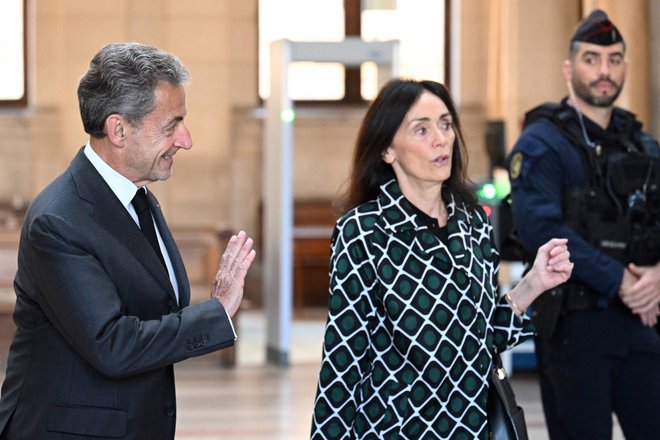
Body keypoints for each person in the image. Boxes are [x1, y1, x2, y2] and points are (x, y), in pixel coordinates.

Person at [0, 42, 256, 439]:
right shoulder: (59, 220)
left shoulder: (138, 198)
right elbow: (111, 344)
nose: (186, 140)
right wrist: (217, 311)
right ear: (118, 129)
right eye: (172, 125)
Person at [310, 78, 573, 439]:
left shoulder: (473, 223)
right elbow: (344, 359)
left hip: (472, 427)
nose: (441, 138)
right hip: (395, 429)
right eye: (421, 129)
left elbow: (483, 338)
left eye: (446, 124)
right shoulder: (364, 232)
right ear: (388, 150)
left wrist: (534, 283)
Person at [506, 9, 660, 439]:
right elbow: (542, 229)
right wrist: (623, 282)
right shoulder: (542, 143)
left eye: (614, 59)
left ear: (626, 67)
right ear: (569, 70)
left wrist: (656, 277)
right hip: (575, 330)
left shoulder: (641, 142)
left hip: (642, 322)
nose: (604, 70)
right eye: (592, 59)